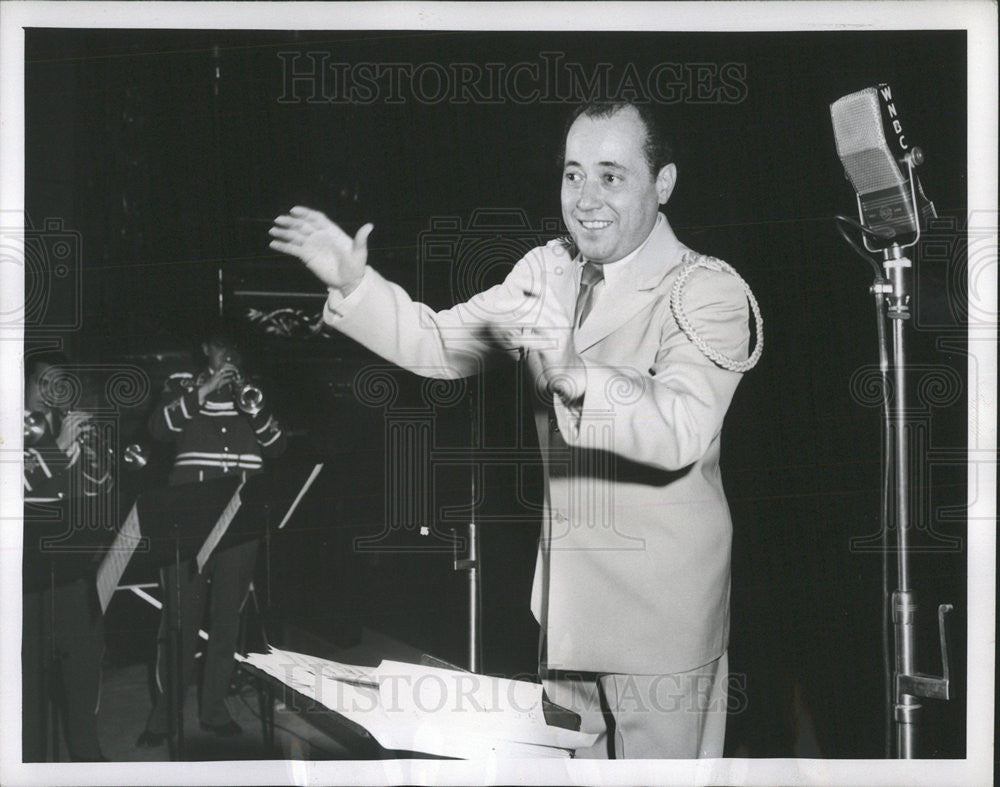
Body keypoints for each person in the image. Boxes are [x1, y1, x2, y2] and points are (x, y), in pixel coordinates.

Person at [270, 100, 754, 758]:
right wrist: (355, 283)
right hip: (567, 611)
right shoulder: (545, 270)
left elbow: (681, 428)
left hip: (663, 623)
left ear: (662, 183)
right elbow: (439, 344)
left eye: (612, 176)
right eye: (572, 174)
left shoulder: (706, 291)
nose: (586, 199)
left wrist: (578, 372)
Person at [137, 326, 286, 746]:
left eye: (234, 349)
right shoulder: (181, 385)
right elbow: (158, 429)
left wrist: (254, 411)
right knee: (179, 622)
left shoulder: (252, 392)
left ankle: (214, 709)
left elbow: (276, 448)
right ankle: (164, 717)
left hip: (240, 521)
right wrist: (201, 393)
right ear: (206, 349)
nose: (228, 357)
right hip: (186, 521)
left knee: (227, 620)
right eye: (222, 347)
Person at [22, 350, 110, 762]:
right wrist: (57, 449)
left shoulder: (66, 429)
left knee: (82, 671)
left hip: (73, 567)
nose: (49, 392)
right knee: (28, 681)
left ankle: (86, 755)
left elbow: (96, 492)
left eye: (58, 384)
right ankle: (30, 762)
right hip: (23, 575)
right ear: (23, 384)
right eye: (42, 382)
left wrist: (92, 454)